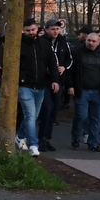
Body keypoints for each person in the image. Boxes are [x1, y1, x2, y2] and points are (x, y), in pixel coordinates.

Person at [0, 17, 59, 157]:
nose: (31, 32)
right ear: (23, 31)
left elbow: (52, 63)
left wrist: (55, 80)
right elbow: (11, 62)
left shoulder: (44, 44)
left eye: (33, 29)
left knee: (33, 116)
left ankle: (20, 136)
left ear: (37, 29)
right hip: (25, 85)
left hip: (41, 85)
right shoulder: (18, 44)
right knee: (30, 115)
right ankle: (33, 145)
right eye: (28, 30)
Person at [68, 32, 100, 152]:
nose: (90, 43)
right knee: (81, 115)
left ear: (99, 43)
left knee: (96, 118)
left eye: (93, 41)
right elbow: (71, 70)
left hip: (98, 91)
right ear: (86, 40)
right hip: (82, 90)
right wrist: (71, 85)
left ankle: (93, 143)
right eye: (89, 40)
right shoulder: (77, 52)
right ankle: (76, 138)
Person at [36, 19, 71, 150]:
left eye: (57, 29)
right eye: (52, 29)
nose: (55, 31)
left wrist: (64, 67)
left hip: (58, 80)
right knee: (47, 108)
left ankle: (47, 138)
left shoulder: (63, 42)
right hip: (44, 80)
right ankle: (40, 138)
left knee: (54, 110)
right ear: (46, 30)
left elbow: (70, 59)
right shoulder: (42, 43)